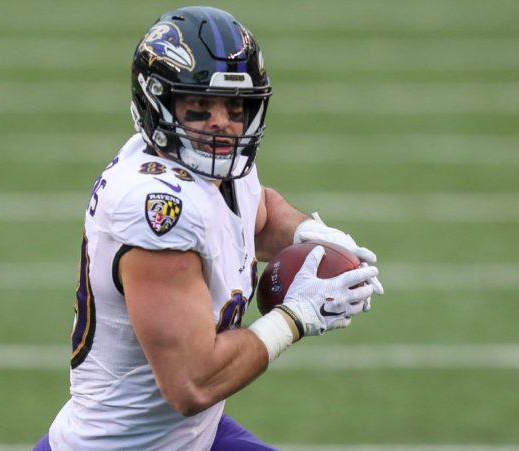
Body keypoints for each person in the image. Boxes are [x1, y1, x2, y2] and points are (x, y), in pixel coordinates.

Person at [34, 6, 384, 450]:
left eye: (235, 105)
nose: (222, 122)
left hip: (189, 437)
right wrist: (294, 318)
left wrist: (310, 236)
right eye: (199, 107)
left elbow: (259, 213)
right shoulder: (156, 208)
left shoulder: (219, 167)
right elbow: (192, 384)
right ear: (159, 104)